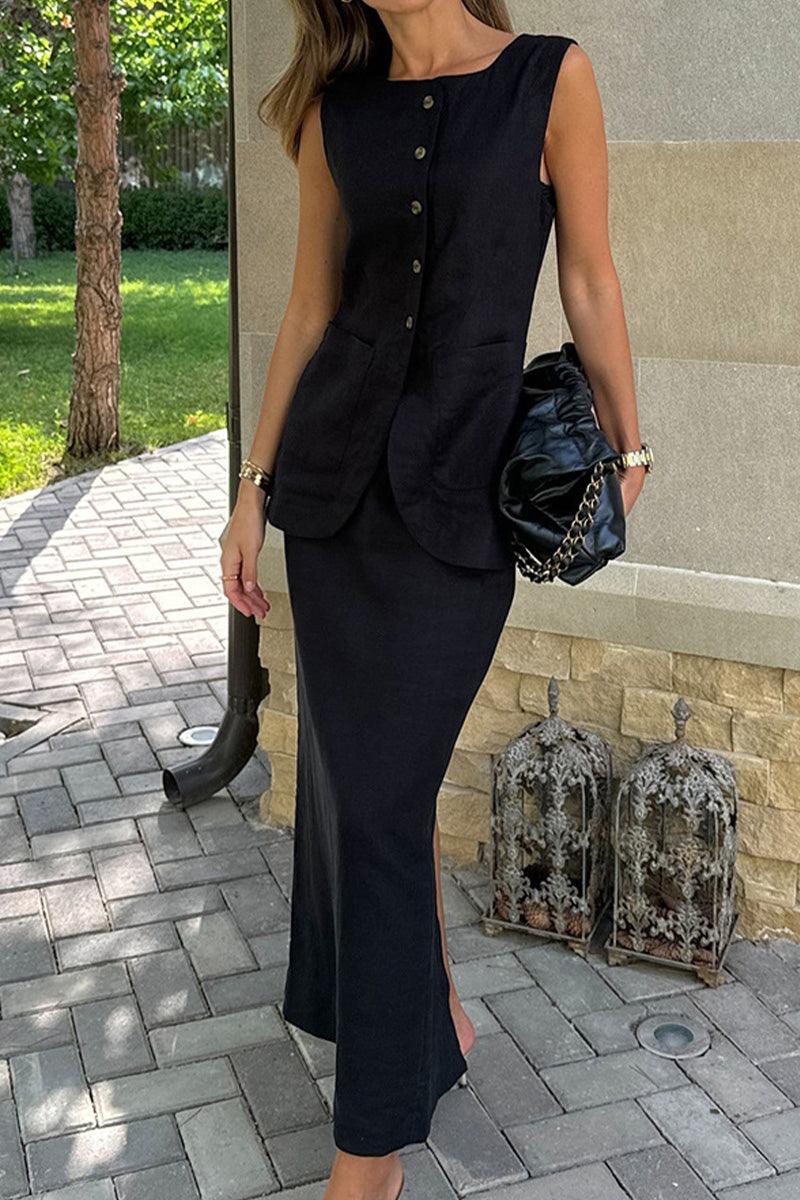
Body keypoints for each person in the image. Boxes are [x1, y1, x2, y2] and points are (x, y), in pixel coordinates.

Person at [220, 2, 647, 1197]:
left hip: (462, 499)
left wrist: (628, 444)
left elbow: (587, 275)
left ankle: (370, 1143)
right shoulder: (333, 106)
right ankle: (401, 1089)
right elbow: (308, 308)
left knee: (379, 803)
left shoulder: (548, 79)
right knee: (371, 801)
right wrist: (252, 489)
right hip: (334, 498)